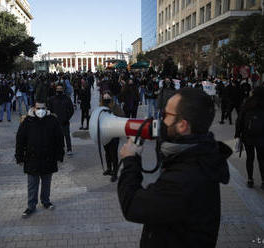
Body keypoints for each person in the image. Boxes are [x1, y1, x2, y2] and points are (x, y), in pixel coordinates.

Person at [118, 87, 231, 248]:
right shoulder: (200, 155)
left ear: (183, 125)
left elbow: (132, 206)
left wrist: (130, 160)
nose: (161, 121)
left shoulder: (185, 179)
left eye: (166, 115)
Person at [15, 99, 64, 218]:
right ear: (34, 108)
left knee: (46, 182)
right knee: (32, 184)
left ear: (46, 108)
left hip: (48, 157)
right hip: (32, 158)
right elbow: (20, 140)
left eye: (43, 108)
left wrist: (59, 155)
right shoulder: (27, 121)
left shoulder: (52, 120)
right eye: (38, 108)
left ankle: (46, 201)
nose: (40, 110)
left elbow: (59, 138)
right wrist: (19, 157)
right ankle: (31, 205)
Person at [235, 87, 264, 189]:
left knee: (250, 158)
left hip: (248, 136)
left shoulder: (247, 104)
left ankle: (250, 179)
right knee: (262, 159)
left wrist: (238, 134)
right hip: (261, 136)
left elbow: (239, 120)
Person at [101, 90, 124, 182]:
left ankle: (115, 172)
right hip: (104, 134)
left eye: (107, 97)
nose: (106, 99)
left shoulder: (116, 107)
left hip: (114, 133)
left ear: (111, 98)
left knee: (113, 153)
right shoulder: (101, 107)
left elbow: (122, 116)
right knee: (107, 152)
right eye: (104, 97)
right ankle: (109, 168)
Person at [48, 83, 74, 156]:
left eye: (60, 89)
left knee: (67, 136)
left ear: (63, 90)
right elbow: (50, 110)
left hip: (65, 121)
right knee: (56, 137)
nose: (59, 90)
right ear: (56, 90)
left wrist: (67, 117)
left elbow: (71, 110)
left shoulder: (67, 98)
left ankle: (69, 149)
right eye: (58, 89)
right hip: (55, 122)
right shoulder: (52, 99)